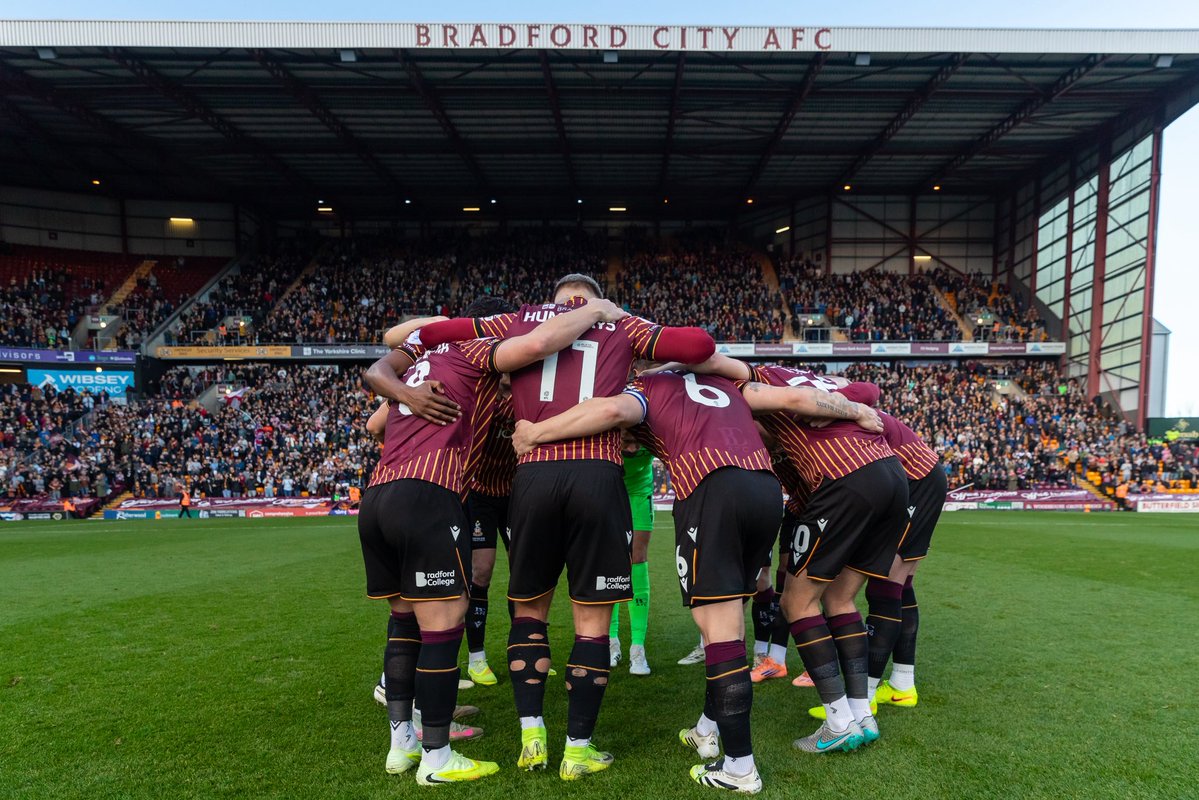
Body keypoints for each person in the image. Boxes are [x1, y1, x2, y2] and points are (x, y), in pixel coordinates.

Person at [510, 366, 879, 792]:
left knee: (718, 630)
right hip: (763, 489)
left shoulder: (645, 388)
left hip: (710, 487)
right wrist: (853, 408)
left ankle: (740, 768)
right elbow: (792, 403)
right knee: (730, 622)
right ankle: (708, 728)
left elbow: (611, 409)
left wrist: (535, 433)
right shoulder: (726, 384)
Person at [416, 274, 715, 780]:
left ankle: (533, 734)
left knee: (529, 612)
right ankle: (578, 749)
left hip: (530, 477)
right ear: (591, 300)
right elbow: (699, 345)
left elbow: (432, 334)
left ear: (554, 303)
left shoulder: (518, 318)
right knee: (592, 620)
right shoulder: (620, 323)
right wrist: (619, 317)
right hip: (597, 475)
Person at [360, 294, 628, 785]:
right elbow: (540, 342)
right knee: (443, 627)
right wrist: (596, 311)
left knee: (403, 623)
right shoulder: (474, 349)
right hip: (429, 492)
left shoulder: (423, 361)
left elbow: (377, 423)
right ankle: (438, 759)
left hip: (378, 493)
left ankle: (402, 745)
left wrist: (422, 410)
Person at [686, 354, 904, 753]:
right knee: (840, 598)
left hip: (844, 477)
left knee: (797, 603)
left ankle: (838, 722)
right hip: (890, 474)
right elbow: (870, 389)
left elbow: (785, 396)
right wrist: (854, 405)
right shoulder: (816, 378)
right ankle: (861, 713)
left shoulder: (759, 386)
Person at [610, 435, 654, 675]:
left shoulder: (654, 432)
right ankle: (611, 642)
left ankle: (638, 648)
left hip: (639, 494)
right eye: (626, 441)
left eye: (638, 442)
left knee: (637, 559)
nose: (633, 448)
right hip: (608, 492)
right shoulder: (606, 429)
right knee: (610, 564)